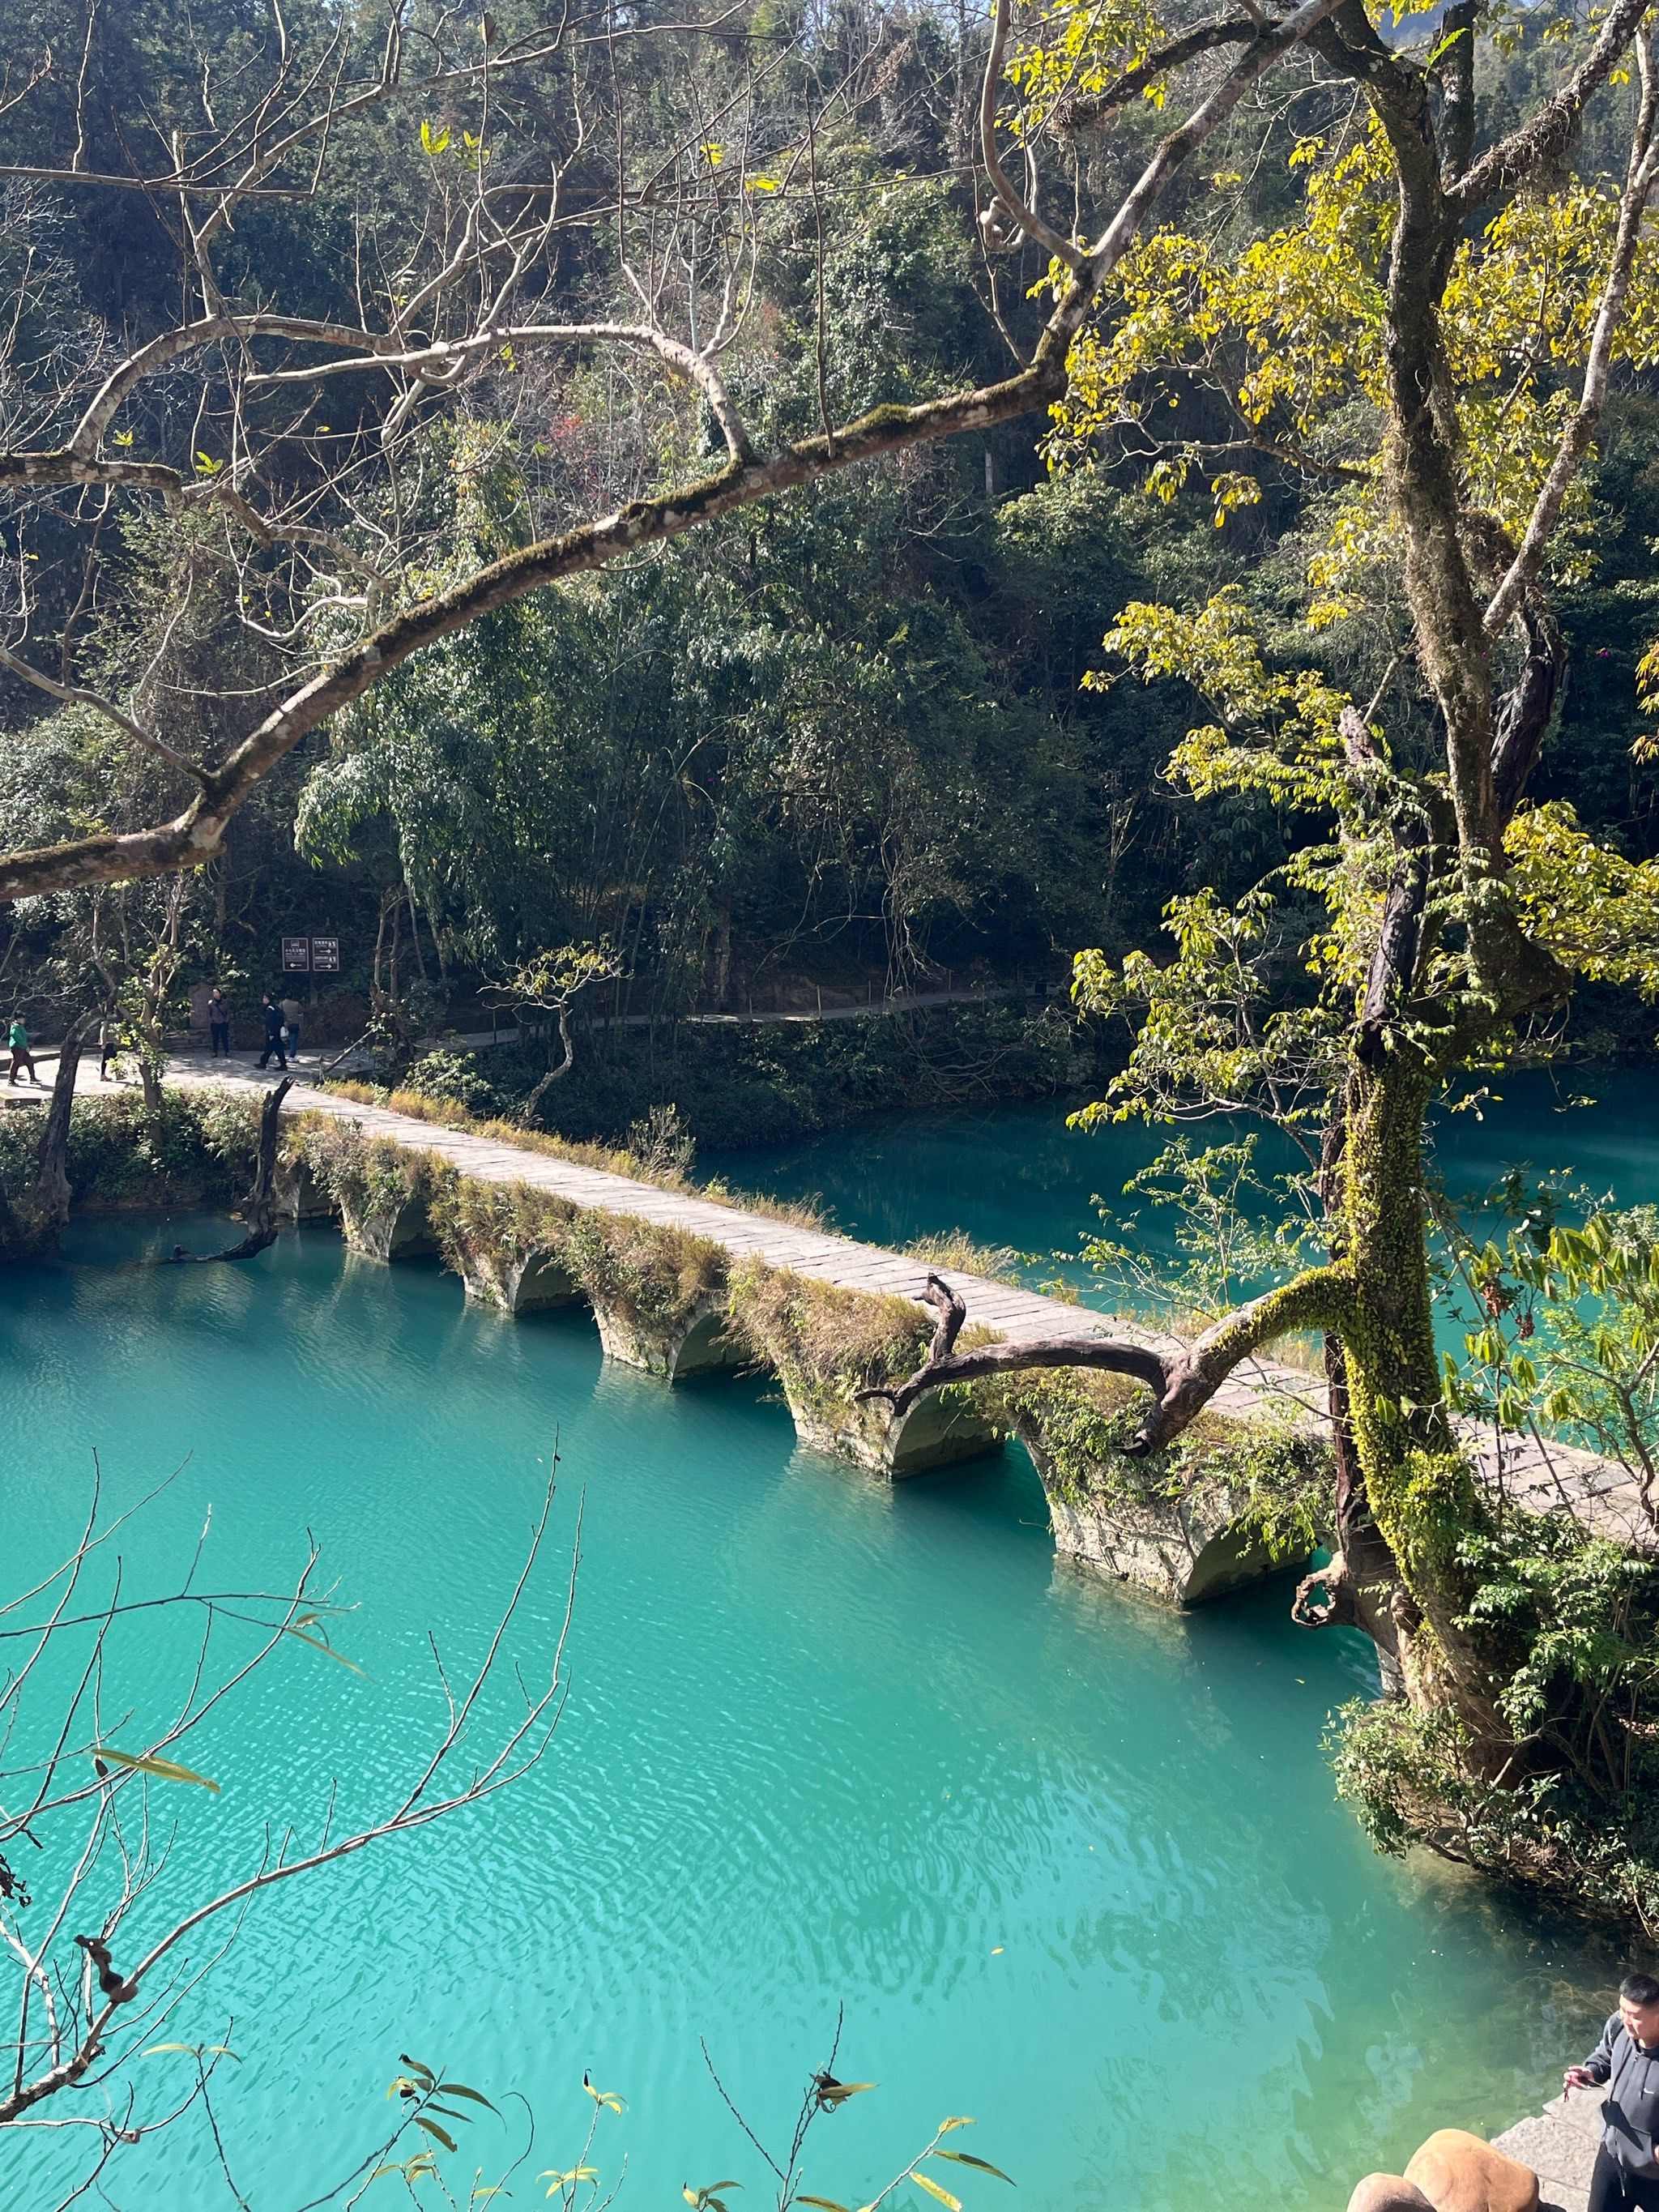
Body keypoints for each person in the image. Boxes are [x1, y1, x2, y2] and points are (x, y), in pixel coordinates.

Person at [1565, 1971, 1659, 2212]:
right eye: (1622, 2009)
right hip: (1612, 2158)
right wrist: (1590, 2072)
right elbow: (1605, 2055)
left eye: (1635, 2015)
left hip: (1654, 2176)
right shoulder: (1618, 2027)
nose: (1625, 2019)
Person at [256, 993, 288, 1071]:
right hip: (276, 1031)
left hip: (273, 1033)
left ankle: (265, 1063)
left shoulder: (270, 1009)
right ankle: (264, 1062)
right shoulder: (275, 1008)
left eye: (265, 997)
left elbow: (271, 1022)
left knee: (273, 1048)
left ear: (268, 999)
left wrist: (271, 1033)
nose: (263, 999)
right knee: (273, 1048)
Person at [6, 1014, 38, 1086]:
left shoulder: (20, 1026)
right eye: (21, 1019)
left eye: (23, 1019)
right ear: (17, 1019)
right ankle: (11, 1080)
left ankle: (33, 1078)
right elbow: (16, 1035)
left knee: (29, 1061)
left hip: (22, 1047)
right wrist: (25, 1045)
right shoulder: (15, 1026)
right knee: (16, 1063)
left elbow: (24, 1036)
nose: (23, 1020)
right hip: (17, 1047)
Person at [207, 987, 231, 1059]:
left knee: (224, 1038)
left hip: (223, 1022)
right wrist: (211, 1021)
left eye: (217, 993)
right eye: (214, 993)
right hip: (214, 1022)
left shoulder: (225, 1002)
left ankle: (227, 1051)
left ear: (220, 994)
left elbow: (228, 1012)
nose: (215, 994)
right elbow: (208, 1013)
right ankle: (214, 1052)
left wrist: (226, 1021)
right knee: (215, 1038)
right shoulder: (211, 1003)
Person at [280, 992, 302, 1062]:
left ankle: (280, 1054)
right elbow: (300, 1012)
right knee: (294, 1040)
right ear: (292, 997)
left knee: (282, 1039)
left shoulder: (281, 1004)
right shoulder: (296, 1004)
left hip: (285, 1024)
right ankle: (292, 1056)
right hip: (294, 1024)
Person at [98, 1013, 119, 1081]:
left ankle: (116, 1074)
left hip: (111, 1043)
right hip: (108, 1043)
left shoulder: (112, 1023)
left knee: (114, 1058)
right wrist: (103, 1043)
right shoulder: (106, 1022)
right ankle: (104, 1075)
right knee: (109, 1059)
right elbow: (103, 1032)